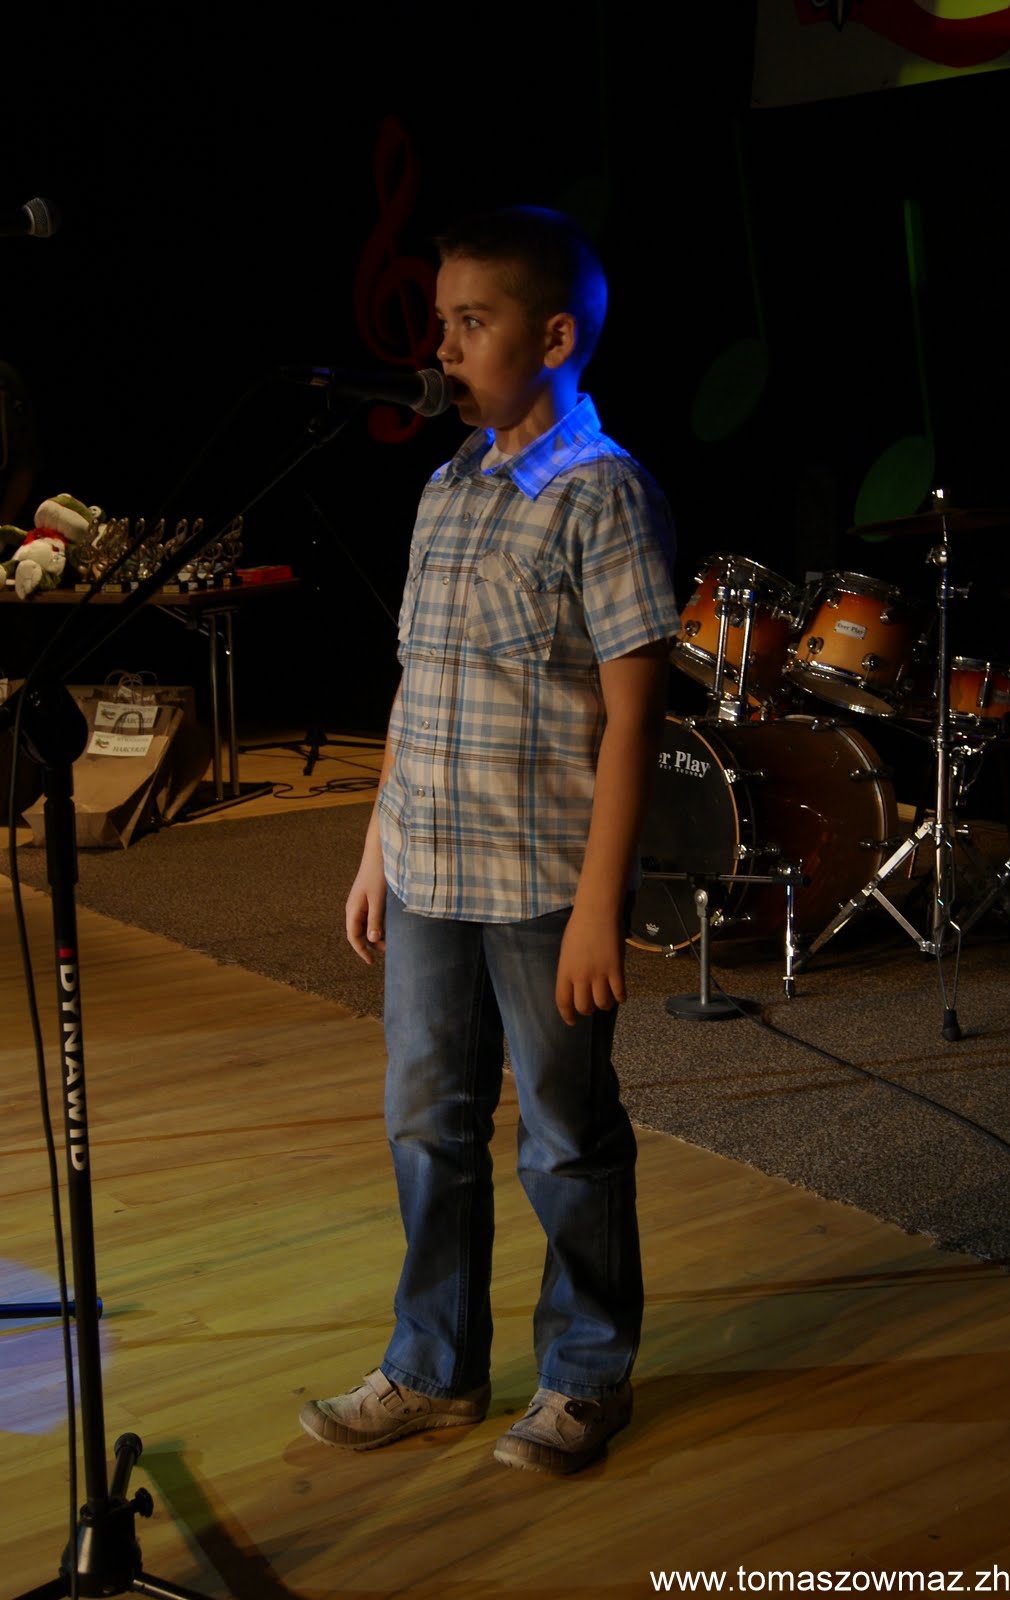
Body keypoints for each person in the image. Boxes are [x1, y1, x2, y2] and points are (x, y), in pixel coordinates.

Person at [299, 204, 679, 1476]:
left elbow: (633, 721)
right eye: (442, 321)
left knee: (566, 1134)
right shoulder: (446, 486)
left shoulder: (603, 494)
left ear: (555, 338)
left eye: (472, 322)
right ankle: (434, 1366)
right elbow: (420, 684)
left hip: (539, 881)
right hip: (428, 867)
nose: (444, 348)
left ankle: (585, 1372)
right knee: (426, 1119)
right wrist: (377, 844)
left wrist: (599, 907)